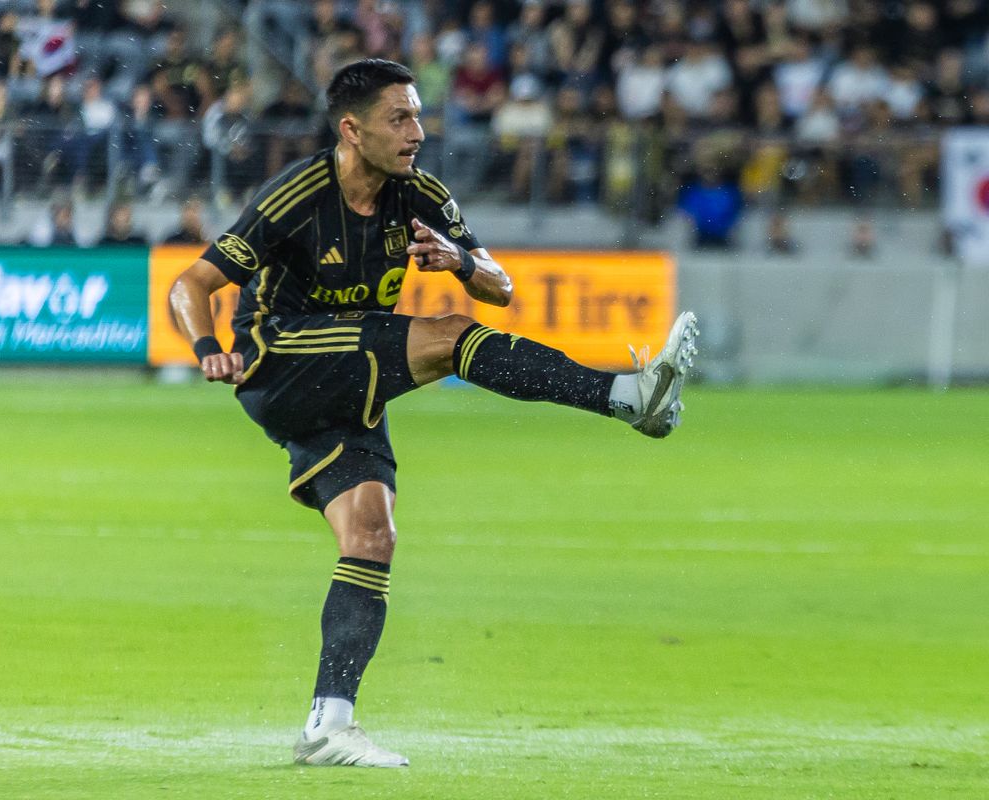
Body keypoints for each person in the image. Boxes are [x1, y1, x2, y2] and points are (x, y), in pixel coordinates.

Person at [168, 59, 699, 769]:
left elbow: (501, 288)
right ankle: (626, 396)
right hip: (280, 361)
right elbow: (190, 284)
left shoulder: (422, 196)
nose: (417, 132)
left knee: (371, 535)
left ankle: (328, 725)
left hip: (347, 379)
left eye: (418, 116)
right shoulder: (299, 193)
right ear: (352, 130)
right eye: (400, 118)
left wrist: (459, 260)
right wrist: (208, 348)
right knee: (448, 337)